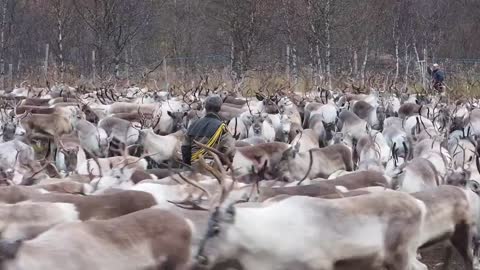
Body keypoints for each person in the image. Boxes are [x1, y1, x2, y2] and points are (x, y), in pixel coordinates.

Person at [181, 95, 234, 166]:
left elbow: (185, 148)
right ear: (219, 109)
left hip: (193, 167)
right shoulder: (222, 128)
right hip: (213, 169)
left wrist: (189, 165)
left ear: (205, 108)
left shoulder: (193, 125)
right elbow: (228, 151)